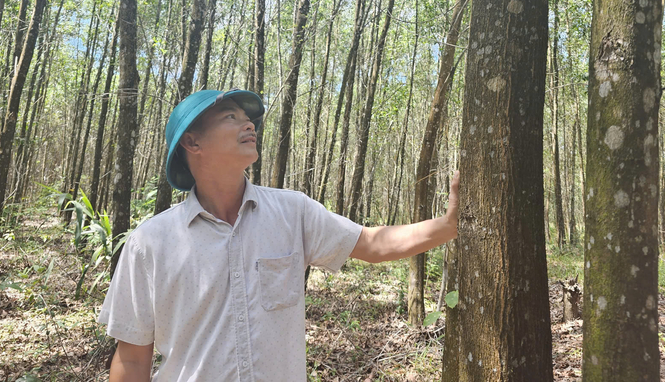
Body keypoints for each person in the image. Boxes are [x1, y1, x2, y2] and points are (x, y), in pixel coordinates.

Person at [99, 88, 460, 382]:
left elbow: (372, 244)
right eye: (231, 117)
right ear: (192, 143)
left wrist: (447, 225)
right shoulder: (150, 242)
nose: (249, 125)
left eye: (248, 118)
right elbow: (131, 360)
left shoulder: (292, 213)